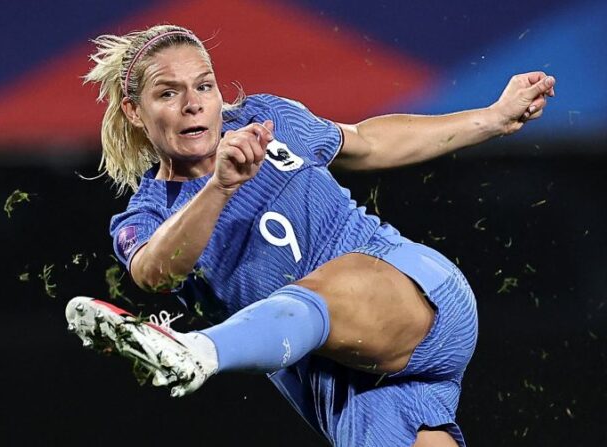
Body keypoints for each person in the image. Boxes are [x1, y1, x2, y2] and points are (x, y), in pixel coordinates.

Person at [65, 24, 555, 446]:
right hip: (353, 389)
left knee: (316, 288)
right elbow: (154, 272)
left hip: (415, 298)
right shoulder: (146, 214)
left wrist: (492, 118)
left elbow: (368, 143)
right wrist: (220, 186)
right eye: (168, 93)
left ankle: (198, 352)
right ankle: (195, 351)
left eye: (205, 86)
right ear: (134, 112)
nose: (193, 105)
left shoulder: (265, 121)